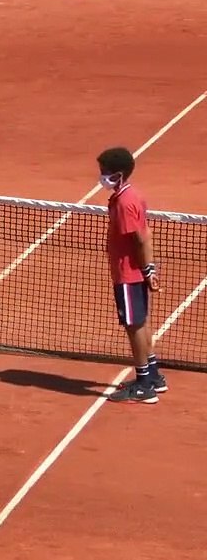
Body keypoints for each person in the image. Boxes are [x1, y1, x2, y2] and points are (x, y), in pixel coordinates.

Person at [98, 148, 165, 404]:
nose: (101, 176)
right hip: (134, 271)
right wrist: (149, 269)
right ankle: (154, 376)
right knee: (141, 322)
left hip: (128, 273)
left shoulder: (125, 202)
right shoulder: (128, 196)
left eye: (105, 172)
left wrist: (147, 269)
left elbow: (140, 238)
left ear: (118, 174)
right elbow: (145, 234)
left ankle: (144, 384)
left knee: (134, 326)